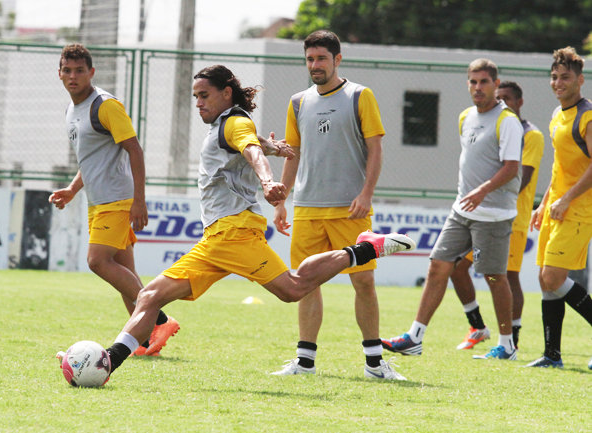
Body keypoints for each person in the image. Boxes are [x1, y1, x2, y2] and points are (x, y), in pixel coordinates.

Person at [66, 64, 416, 384]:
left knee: (293, 289)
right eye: (196, 97)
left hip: (235, 232)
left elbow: (250, 150)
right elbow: (249, 144)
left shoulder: (235, 121)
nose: (199, 103)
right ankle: (108, 362)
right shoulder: (225, 124)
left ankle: (366, 248)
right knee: (150, 296)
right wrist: (274, 146)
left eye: (204, 96)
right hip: (216, 238)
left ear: (225, 93)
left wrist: (267, 179)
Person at [382, 59, 524, 361]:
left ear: (496, 85)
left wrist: (483, 190)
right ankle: (414, 337)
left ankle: (507, 345)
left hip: (494, 214)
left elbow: (512, 169)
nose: (477, 87)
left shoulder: (507, 120)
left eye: (484, 81)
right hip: (462, 210)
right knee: (438, 265)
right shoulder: (465, 117)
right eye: (472, 81)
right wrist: (469, 195)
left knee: (495, 278)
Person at [269, 30, 390, 377]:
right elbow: (292, 154)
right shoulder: (298, 101)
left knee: (363, 281)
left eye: (321, 58)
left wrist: (366, 194)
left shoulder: (359, 95)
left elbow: (376, 149)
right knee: (305, 281)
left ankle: (375, 363)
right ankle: (305, 362)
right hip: (307, 208)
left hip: (349, 207)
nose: (315, 65)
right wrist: (282, 200)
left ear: (338, 59)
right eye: (309, 59)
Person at [50, 44, 179, 357]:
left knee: (97, 261)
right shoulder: (71, 110)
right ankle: (145, 340)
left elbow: (134, 149)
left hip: (118, 200)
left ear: (91, 73)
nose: (73, 76)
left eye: (80, 70)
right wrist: (72, 189)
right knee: (125, 275)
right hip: (99, 201)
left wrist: (139, 200)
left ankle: (160, 319)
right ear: (60, 74)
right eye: (67, 70)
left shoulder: (105, 105)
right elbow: (92, 158)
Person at [450, 81, 544, 351]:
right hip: (479, 215)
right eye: (499, 97)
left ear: (519, 102)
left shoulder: (530, 134)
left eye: (507, 98)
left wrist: (484, 191)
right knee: (456, 268)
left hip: (510, 218)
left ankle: (512, 339)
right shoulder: (490, 126)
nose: (502, 102)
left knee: (506, 277)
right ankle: (478, 326)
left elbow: (520, 177)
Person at [525, 47, 592, 370]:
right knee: (544, 279)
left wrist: (566, 200)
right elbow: (560, 167)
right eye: (554, 77)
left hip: (579, 211)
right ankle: (552, 355)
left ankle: (553, 354)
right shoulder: (556, 115)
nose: (558, 82)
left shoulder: (588, 116)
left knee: (553, 277)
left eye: (565, 77)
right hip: (555, 209)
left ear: (580, 80)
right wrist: (545, 202)